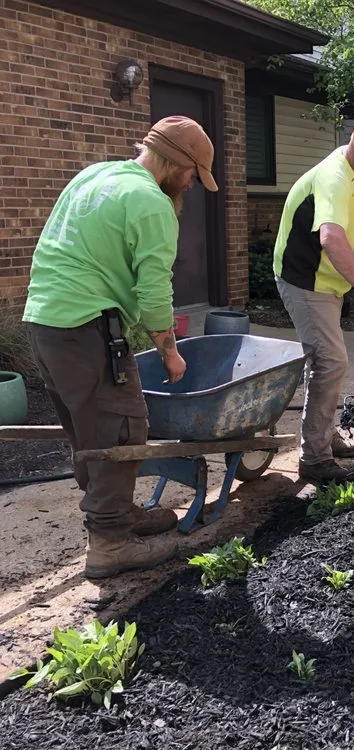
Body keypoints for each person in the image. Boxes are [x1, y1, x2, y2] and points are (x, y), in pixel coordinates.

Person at [22, 115, 218, 578]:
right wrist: (170, 350)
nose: (190, 184)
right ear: (176, 163)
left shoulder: (96, 174)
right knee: (121, 429)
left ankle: (118, 513)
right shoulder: (151, 202)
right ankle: (110, 542)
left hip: (44, 321)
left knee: (87, 430)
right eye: (192, 174)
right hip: (86, 328)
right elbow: (154, 294)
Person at [272, 104, 354, 483]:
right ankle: (313, 457)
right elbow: (330, 237)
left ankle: (322, 433)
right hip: (305, 278)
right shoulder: (333, 176)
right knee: (332, 361)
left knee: (329, 361)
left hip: (333, 276)